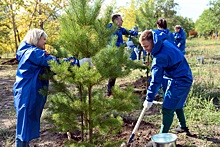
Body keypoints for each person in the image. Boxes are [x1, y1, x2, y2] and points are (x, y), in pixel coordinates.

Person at [13, 28, 91, 146]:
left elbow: (48, 68)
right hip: (28, 92)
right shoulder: (33, 53)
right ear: (36, 38)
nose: (45, 42)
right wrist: (77, 63)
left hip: (25, 92)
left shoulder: (27, 52)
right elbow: (53, 62)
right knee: (24, 128)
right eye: (44, 39)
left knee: (24, 126)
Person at [139, 30, 193, 136]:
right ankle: (183, 127)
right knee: (176, 103)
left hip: (180, 80)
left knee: (168, 108)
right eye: (143, 47)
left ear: (153, 42)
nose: (145, 50)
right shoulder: (163, 42)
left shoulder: (160, 57)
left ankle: (161, 137)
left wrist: (149, 98)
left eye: (146, 46)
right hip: (183, 75)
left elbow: (155, 80)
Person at [106, 14, 138, 97]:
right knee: (113, 73)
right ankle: (109, 92)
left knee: (115, 73)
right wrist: (125, 44)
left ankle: (110, 91)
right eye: (121, 20)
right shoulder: (111, 30)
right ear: (116, 21)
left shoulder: (119, 29)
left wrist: (137, 33)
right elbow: (113, 44)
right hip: (112, 54)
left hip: (118, 54)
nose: (122, 21)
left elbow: (127, 31)